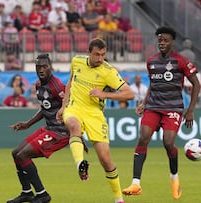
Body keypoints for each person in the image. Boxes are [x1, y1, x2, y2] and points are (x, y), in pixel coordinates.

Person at [122, 26, 201, 200]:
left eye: (165, 40)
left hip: (173, 108)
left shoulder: (181, 61)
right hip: (153, 107)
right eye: (160, 40)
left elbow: (196, 84)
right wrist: (144, 103)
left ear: (172, 42)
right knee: (143, 138)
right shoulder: (151, 62)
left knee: (168, 142)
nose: (162, 43)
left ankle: (174, 178)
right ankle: (136, 184)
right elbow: (153, 84)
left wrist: (191, 111)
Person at [56, 38, 134, 203]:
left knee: (105, 159)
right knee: (73, 125)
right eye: (97, 54)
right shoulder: (77, 61)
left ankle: (118, 198)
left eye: (103, 55)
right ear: (88, 53)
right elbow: (70, 82)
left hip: (95, 114)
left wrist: (104, 94)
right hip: (75, 107)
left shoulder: (108, 71)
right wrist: (64, 106)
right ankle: (80, 164)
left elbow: (130, 94)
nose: (100, 58)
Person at [7, 54, 69, 203]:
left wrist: (76, 133)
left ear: (50, 67)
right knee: (16, 153)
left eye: (44, 66)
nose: (41, 69)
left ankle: (42, 194)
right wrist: (28, 124)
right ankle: (27, 192)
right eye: (38, 67)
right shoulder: (39, 85)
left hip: (60, 132)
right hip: (49, 128)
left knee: (23, 156)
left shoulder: (57, 86)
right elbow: (45, 109)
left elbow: (70, 107)